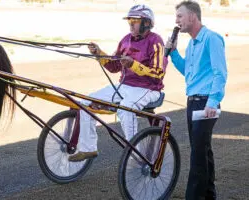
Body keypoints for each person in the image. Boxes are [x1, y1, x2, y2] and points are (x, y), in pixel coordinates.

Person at [68, 4, 168, 162]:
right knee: (86, 102)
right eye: (130, 21)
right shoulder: (125, 40)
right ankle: (88, 149)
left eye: (134, 21)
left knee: (126, 109)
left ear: (146, 23)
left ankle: (137, 155)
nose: (130, 24)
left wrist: (133, 64)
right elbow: (114, 66)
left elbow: (158, 73)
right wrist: (99, 53)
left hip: (148, 88)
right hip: (125, 86)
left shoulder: (156, 41)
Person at [165, 1, 227, 199]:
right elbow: (188, 72)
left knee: (197, 155)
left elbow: (220, 73)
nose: (177, 21)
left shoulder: (212, 39)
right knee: (202, 151)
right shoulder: (192, 44)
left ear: (192, 16)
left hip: (206, 103)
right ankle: (209, 195)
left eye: (180, 16)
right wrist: (173, 53)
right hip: (193, 102)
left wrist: (212, 101)